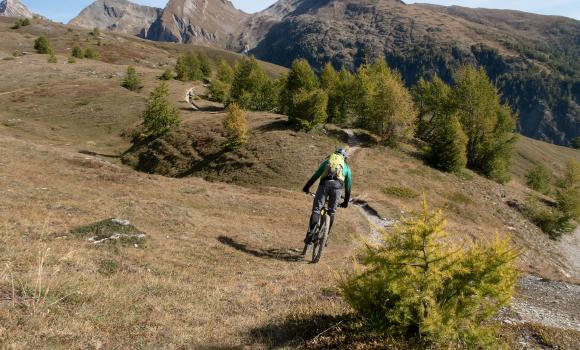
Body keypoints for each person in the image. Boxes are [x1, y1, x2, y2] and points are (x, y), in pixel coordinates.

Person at [302, 148, 352, 245]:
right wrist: (345, 202)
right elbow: (348, 186)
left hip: (324, 185)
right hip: (337, 187)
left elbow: (316, 175)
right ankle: (325, 238)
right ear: (345, 158)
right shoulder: (346, 167)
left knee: (316, 210)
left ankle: (310, 235)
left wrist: (306, 187)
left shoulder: (327, 162)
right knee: (331, 212)